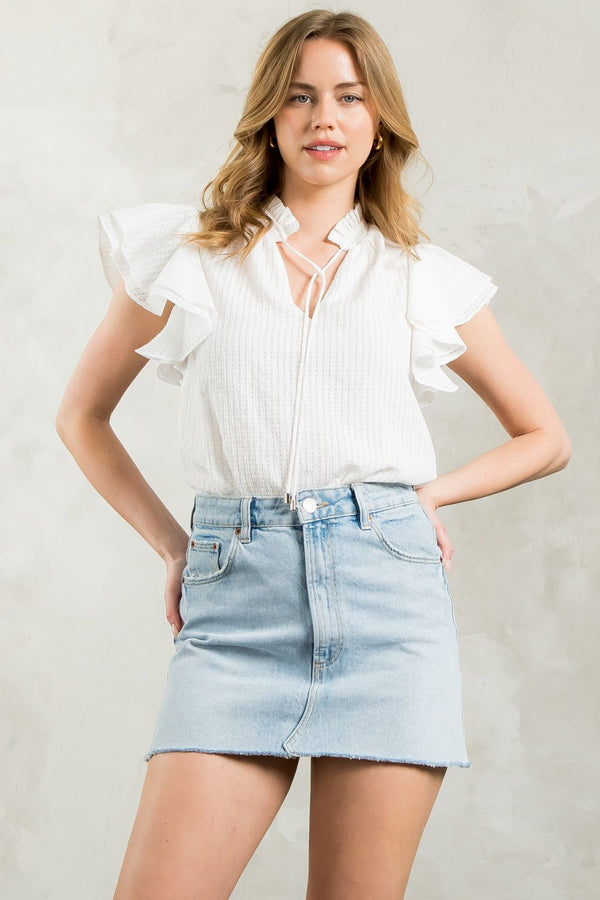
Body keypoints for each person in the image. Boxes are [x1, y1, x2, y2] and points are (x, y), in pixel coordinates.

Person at [55, 9, 572, 900]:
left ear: (380, 124)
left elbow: (546, 437)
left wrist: (427, 498)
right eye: (299, 97)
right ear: (268, 116)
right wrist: (176, 546)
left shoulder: (421, 275)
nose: (323, 118)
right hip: (236, 607)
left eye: (348, 97)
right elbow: (82, 416)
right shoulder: (188, 257)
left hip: (388, 607)